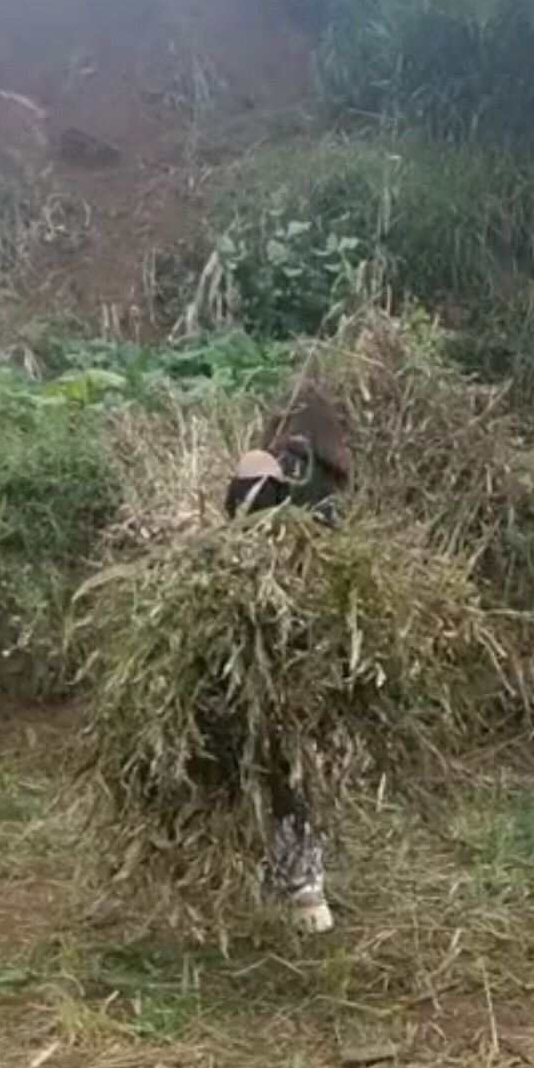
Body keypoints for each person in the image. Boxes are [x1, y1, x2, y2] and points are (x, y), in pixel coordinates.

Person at [224, 384, 352, 934]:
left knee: (268, 763)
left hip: (266, 640)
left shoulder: (273, 469)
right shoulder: (328, 492)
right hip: (313, 643)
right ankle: (302, 887)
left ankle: (295, 887)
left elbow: (240, 530)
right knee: (292, 765)